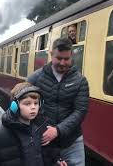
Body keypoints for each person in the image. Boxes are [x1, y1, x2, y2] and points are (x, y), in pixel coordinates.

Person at [28, 38, 89, 166]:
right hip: (44, 140)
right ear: (51, 55)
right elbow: (24, 106)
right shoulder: (35, 78)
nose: (62, 63)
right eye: (58, 58)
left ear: (71, 56)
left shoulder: (80, 81)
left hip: (72, 141)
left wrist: (57, 130)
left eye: (66, 59)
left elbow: (80, 111)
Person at [0, 82, 67, 166]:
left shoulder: (42, 128)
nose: (33, 107)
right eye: (27, 103)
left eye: (36, 103)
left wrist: (57, 161)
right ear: (14, 106)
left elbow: (49, 154)